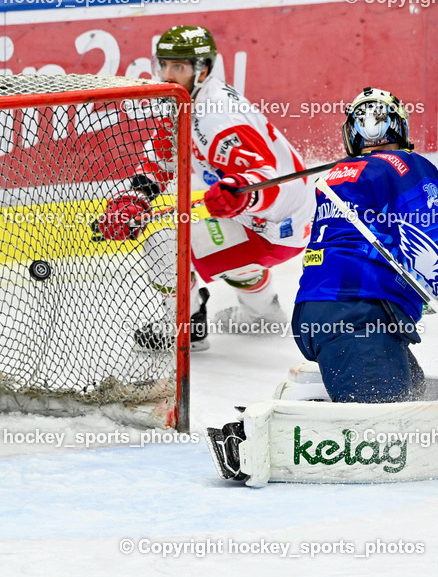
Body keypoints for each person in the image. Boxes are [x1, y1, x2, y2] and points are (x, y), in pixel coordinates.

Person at [97, 25, 315, 351]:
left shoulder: (216, 118)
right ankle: (262, 314)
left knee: (161, 233)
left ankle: (184, 327)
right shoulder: (189, 101)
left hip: (275, 224)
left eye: (179, 67)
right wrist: (136, 197)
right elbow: (162, 158)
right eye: (164, 65)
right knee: (213, 235)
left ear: (203, 70)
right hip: (277, 217)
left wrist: (244, 191)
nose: (168, 75)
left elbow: (264, 174)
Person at [293, 87, 438, 402]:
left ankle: (309, 404)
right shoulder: (406, 164)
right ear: (399, 127)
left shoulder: (337, 175)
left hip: (316, 310)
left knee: (415, 396)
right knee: (385, 429)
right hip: (359, 315)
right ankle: (253, 436)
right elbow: (431, 231)